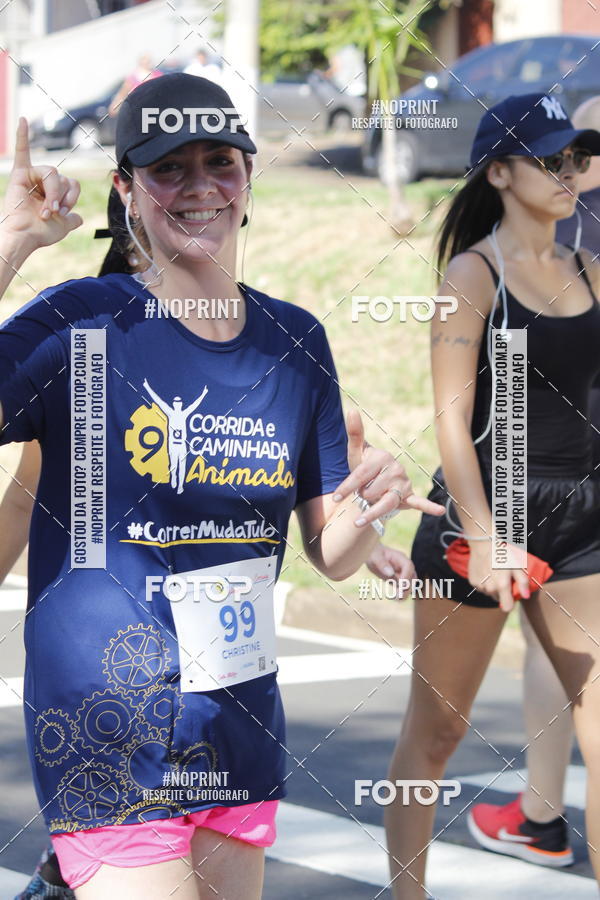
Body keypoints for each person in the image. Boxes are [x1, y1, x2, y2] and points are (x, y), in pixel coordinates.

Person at [0, 75, 440, 899]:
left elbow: (332, 551)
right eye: (170, 169)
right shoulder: (82, 323)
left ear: (248, 178)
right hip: (103, 709)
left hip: (236, 711)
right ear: (127, 190)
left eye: (220, 164)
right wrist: (13, 243)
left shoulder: (294, 339)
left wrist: (371, 501)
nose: (201, 187)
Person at [383, 92, 600, 899]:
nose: (568, 172)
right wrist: (484, 533)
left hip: (580, 518)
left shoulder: (587, 266)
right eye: (549, 158)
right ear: (500, 172)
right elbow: (449, 416)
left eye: (575, 156)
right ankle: (409, 892)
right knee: (437, 730)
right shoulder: (471, 273)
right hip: (481, 514)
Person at [468, 94, 600, 868]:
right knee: (567, 643)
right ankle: (542, 814)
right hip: (555, 467)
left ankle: (544, 815)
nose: (570, 169)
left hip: (564, 468)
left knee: (565, 646)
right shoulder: (520, 251)